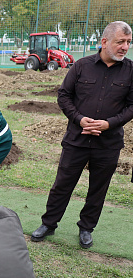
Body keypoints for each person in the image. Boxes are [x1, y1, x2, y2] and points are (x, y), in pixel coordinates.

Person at [30, 21, 133, 249]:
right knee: (62, 184)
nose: (125, 47)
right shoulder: (81, 66)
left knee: (98, 189)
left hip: (109, 143)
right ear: (104, 42)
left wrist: (108, 124)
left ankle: (86, 228)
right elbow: (64, 95)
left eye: (128, 42)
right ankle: (49, 224)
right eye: (120, 42)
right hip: (77, 139)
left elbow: (131, 106)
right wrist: (79, 119)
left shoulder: (131, 71)